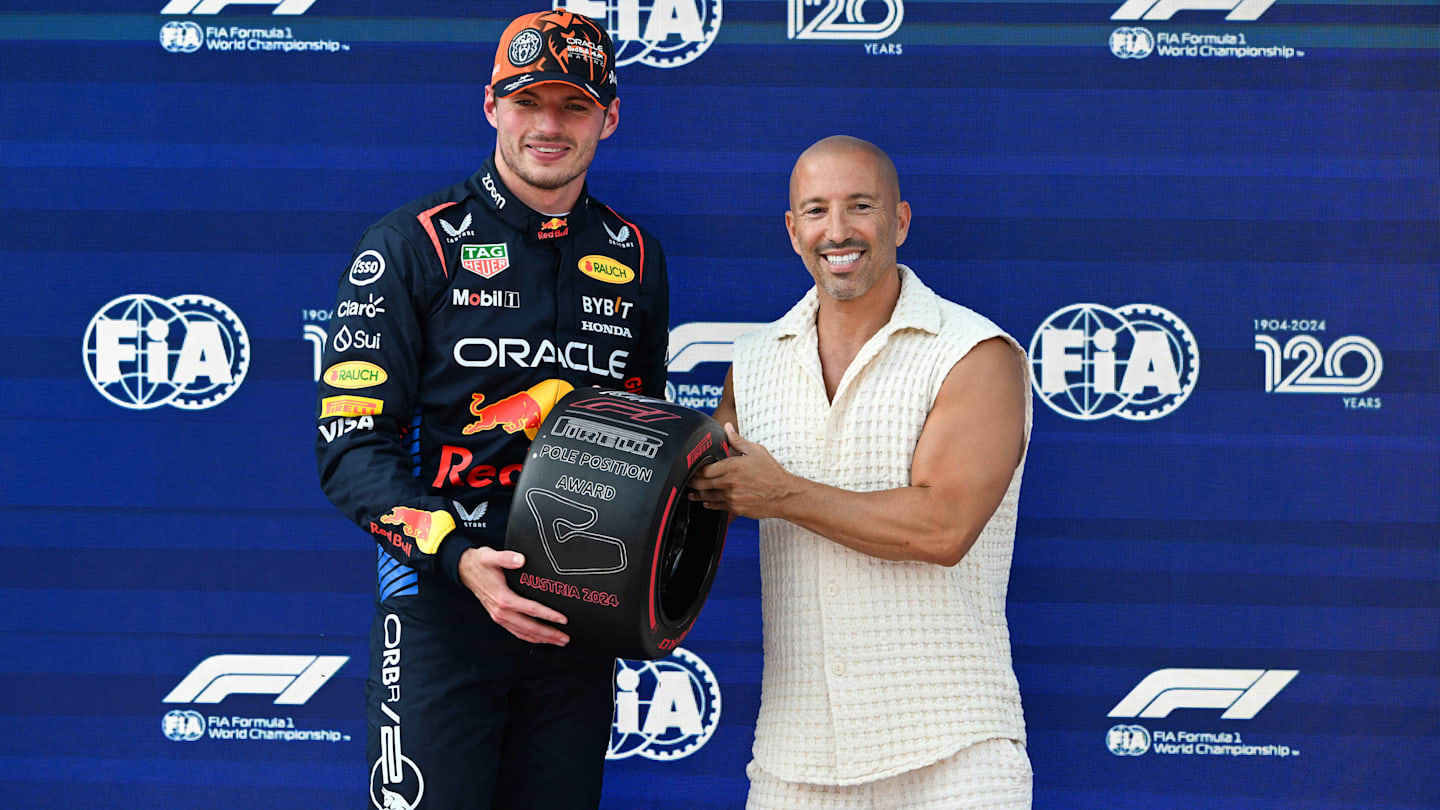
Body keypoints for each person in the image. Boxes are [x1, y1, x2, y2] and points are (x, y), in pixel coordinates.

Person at [315, 10, 668, 809]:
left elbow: (642, 443)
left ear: (609, 117)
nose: (549, 125)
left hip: (576, 621)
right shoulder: (411, 245)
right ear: (491, 106)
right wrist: (456, 558)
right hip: (441, 605)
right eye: (527, 101)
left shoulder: (635, 256)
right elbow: (350, 453)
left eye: (574, 105)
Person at [689, 135, 1033, 809]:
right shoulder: (752, 363)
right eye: (816, 211)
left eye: (860, 206)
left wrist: (783, 494)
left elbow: (943, 527)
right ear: (793, 230)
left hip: (956, 757)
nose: (837, 231)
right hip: (796, 764)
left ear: (899, 220)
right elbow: (699, 508)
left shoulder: (975, 353)